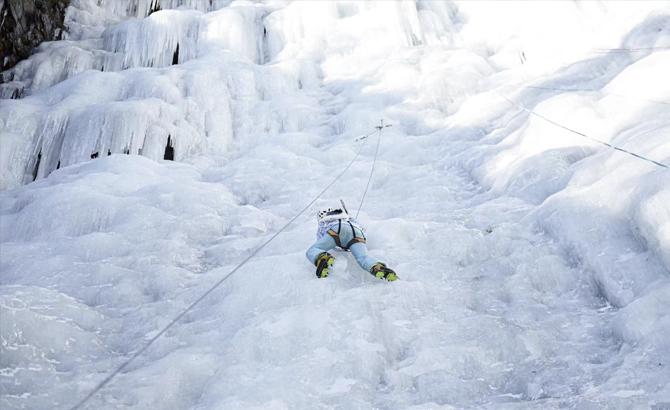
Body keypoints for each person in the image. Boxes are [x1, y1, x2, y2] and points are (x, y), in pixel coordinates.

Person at [306, 206, 397, 281]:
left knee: (313, 250)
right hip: (357, 233)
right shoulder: (348, 217)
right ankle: (377, 267)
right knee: (363, 258)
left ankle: (323, 257)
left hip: (337, 230)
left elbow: (321, 239)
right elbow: (363, 228)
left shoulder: (324, 221)